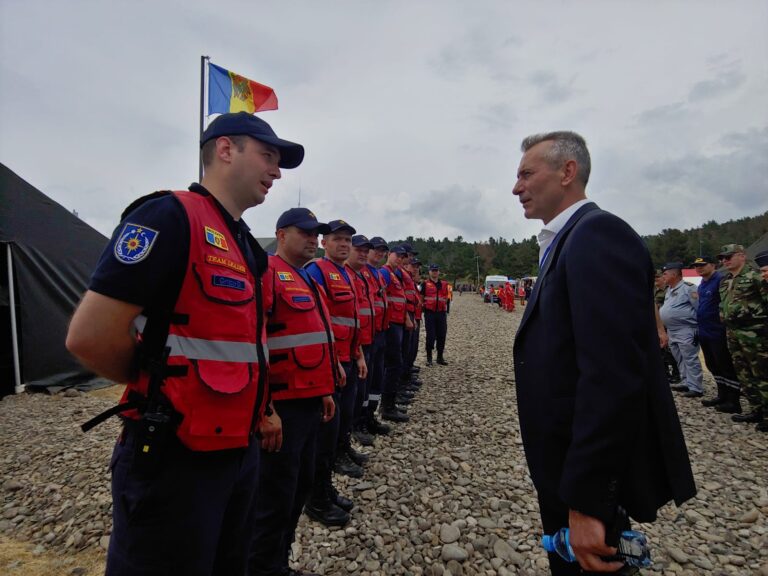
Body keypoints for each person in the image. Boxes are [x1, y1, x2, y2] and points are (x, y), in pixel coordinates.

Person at [66, 111, 304, 575]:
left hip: (237, 450)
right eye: (268, 156)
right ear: (225, 150)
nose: (276, 171)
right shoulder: (169, 216)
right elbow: (90, 336)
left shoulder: (244, 247)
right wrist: (155, 384)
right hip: (176, 455)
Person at [511, 131, 695, 575]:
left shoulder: (596, 235)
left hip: (582, 474)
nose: (516, 188)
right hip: (564, 461)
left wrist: (589, 502)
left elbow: (612, 376)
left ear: (567, 172)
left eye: (526, 174)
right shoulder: (565, 240)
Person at [249, 208, 340, 575]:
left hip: (308, 403)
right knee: (273, 499)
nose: (313, 240)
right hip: (281, 408)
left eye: (316, 234)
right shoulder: (267, 273)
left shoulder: (305, 280)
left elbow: (315, 340)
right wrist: (264, 407)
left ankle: (278, 564)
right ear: (281, 235)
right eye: (305, 233)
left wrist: (325, 390)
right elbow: (253, 342)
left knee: (297, 489)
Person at [305, 220, 368, 485]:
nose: (344, 244)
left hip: (349, 355)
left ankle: (342, 449)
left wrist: (359, 353)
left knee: (346, 411)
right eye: (337, 239)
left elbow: (352, 319)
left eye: (347, 240)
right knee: (329, 421)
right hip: (333, 360)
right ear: (324, 243)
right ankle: (324, 474)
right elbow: (315, 322)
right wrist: (332, 361)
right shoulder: (316, 271)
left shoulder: (345, 274)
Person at [718, 244, 768, 432]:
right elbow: (723, 304)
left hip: (755, 333)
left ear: (742, 256)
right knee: (744, 374)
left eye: (729, 256)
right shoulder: (725, 281)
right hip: (733, 333)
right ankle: (755, 410)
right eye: (723, 258)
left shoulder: (756, 276)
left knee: (762, 374)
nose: (725, 261)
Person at [691, 256, 741, 413]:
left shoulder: (720, 280)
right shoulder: (702, 284)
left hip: (718, 330)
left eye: (703, 265)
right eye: (696, 266)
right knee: (712, 364)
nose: (699, 268)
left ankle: (733, 400)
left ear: (713, 265)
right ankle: (722, 394)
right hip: (705, 330)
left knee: (725, 364)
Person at [659, 262, 704, 397]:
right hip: (672, 330)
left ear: (674, 274)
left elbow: (699, 308)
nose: (663, 276)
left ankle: (696, 387)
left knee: (689, 358)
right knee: (679, 357)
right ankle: (686, 382)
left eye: (665, 273)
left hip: (686, 329)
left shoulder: (689, 288)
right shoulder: (670, 290)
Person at [653, 270, 681, 385]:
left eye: (658, 277)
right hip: (657, 324)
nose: (656, 280)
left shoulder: (669, 290)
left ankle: (676, 374)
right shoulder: (653, 290)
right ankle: (665, 373)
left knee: (670, 351)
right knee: (660, 352)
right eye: (654, 278)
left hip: (666, 324)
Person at [421, 263, 449, 366]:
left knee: (442, 335)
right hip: (430, 313)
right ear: (429, 272)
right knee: (431, 336)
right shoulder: (425, 284)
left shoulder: (444, 284)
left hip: (441, 313)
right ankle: (429, 358)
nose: (434, 272)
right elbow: (421, 297)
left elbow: (446, 298)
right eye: (433, 270)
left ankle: (440, 357)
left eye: (436, 270)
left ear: (438, 272)